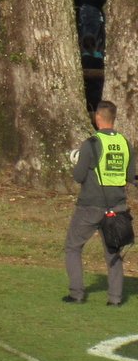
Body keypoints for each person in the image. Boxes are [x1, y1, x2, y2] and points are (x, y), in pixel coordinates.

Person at [64, 101, 135, 305]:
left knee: (73, 247)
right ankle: (115, 298)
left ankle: (76, 294)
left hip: (90, 205)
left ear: (97, 118)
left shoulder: (91, 143)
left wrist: (77, 161)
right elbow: (130, 176)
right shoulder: (125, 143)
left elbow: (78, 176)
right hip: (117, 206)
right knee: (113, 252)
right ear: (114, 118)